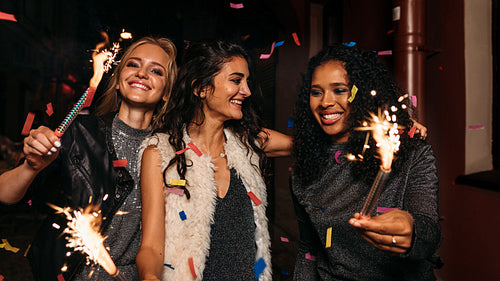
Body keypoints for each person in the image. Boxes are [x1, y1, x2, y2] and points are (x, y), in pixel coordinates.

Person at [0, 36, 177, 281]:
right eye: (133, 65)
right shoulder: (78, 132)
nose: (142, 74)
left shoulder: (170, 152)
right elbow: (5, 196)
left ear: (167, 92)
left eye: (156, 70)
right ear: (117, 82)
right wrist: (30, 167)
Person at [136, 40, 292, 281]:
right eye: (236, 80)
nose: (247, 91)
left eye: (247, 82)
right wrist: (149, 276)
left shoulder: (246, 143)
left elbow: (301, 146)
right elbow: (150, 247)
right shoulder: (160, 152)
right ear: (201, 89)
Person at [290, 44, 441, 281]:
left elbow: (429, 232)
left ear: (361, 93)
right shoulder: (305, 168)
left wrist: (413, 231)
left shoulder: (411, 153)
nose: (325, 102)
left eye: (340, 90)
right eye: (316, 92)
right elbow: (309, 249)